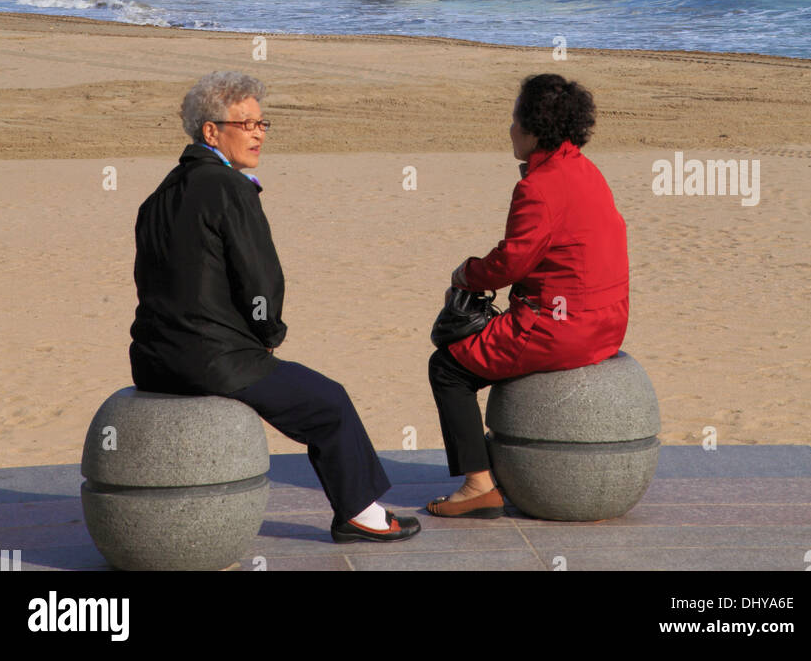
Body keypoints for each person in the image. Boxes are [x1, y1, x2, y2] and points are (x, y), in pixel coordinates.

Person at [129, 71, 420, 545]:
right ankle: (360, 515)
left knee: (311, 394)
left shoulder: (157, 196)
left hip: (151, 360)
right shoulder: (229, 187)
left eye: (264, 123)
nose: (259, 133)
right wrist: (267, 336)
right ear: (211, 131)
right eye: (247, 124)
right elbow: (261, 282)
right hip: (212, 360)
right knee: (330, 402)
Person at [427, 73, 629, 518]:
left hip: (561, 330)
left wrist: (466, 274)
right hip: (609, 324)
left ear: (535, 129)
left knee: (447, 368)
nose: (510, 129)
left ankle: (478, 486)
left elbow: (512, 262)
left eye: (515, 120)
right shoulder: (585, 169)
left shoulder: (537, 187)